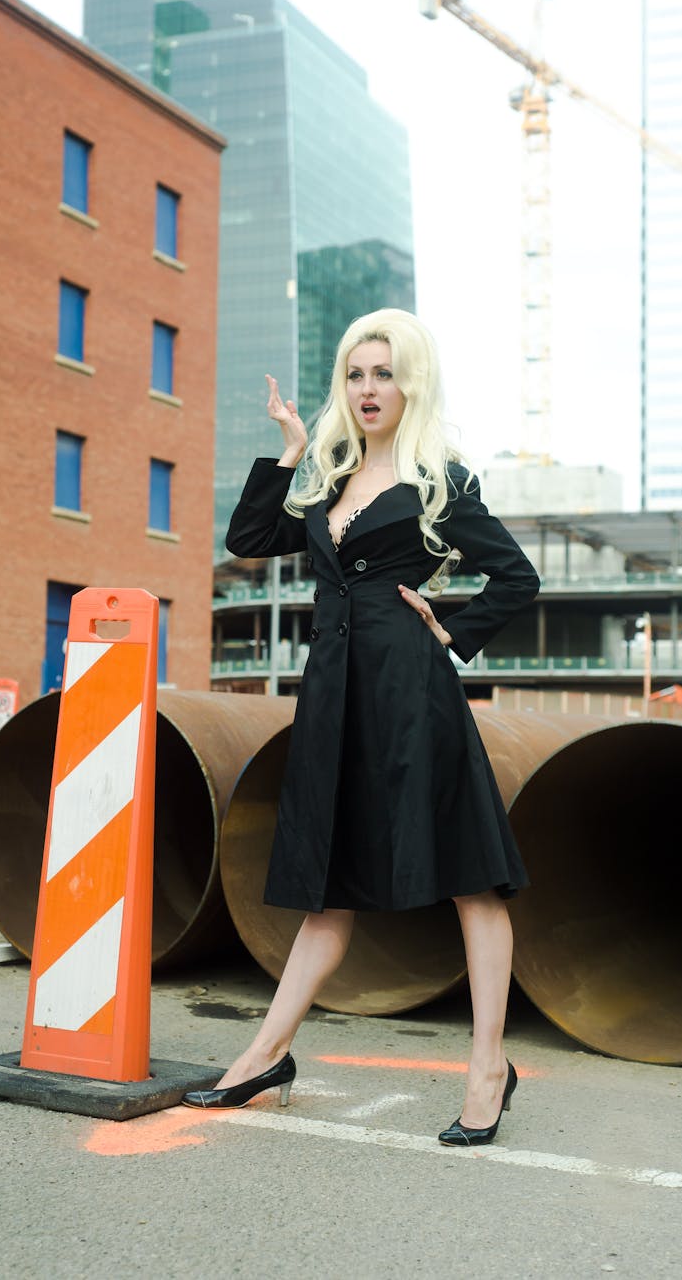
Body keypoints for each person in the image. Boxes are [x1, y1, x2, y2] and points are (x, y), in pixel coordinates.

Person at [183, 308, 540, 1146]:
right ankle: (265, 1055)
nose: (368, 388)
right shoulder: (326, 475)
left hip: (413, 698)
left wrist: (452, 632)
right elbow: (248, 535)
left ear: (410, 383)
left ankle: (489, 1067)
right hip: (334, 698)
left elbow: (515, 577)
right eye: (355, 374)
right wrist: (289, 448)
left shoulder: (440, 480)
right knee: (326, 890)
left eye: (384, 373)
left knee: (473, 881)